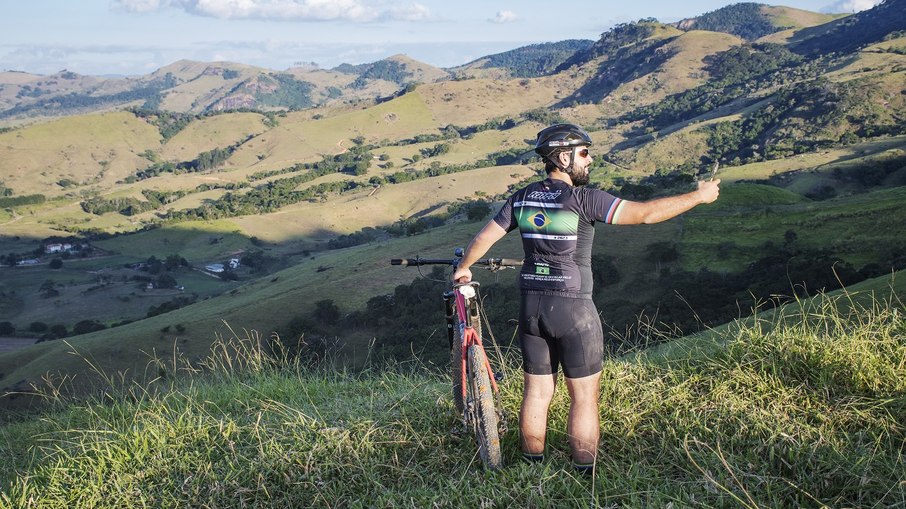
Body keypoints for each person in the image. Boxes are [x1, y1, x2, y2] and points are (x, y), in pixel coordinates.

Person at [451, 123, 721, 473]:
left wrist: (463, 268)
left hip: (531, 306)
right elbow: (647, 214)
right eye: (583, 153)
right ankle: (583, 474)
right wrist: (699, 197)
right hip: (573, 307)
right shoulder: (584, 198)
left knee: (536, 393)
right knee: (584, 397)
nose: (589, 159)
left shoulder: (522, 197)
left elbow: (482, 239)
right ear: (563, 157)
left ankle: (532, 467)